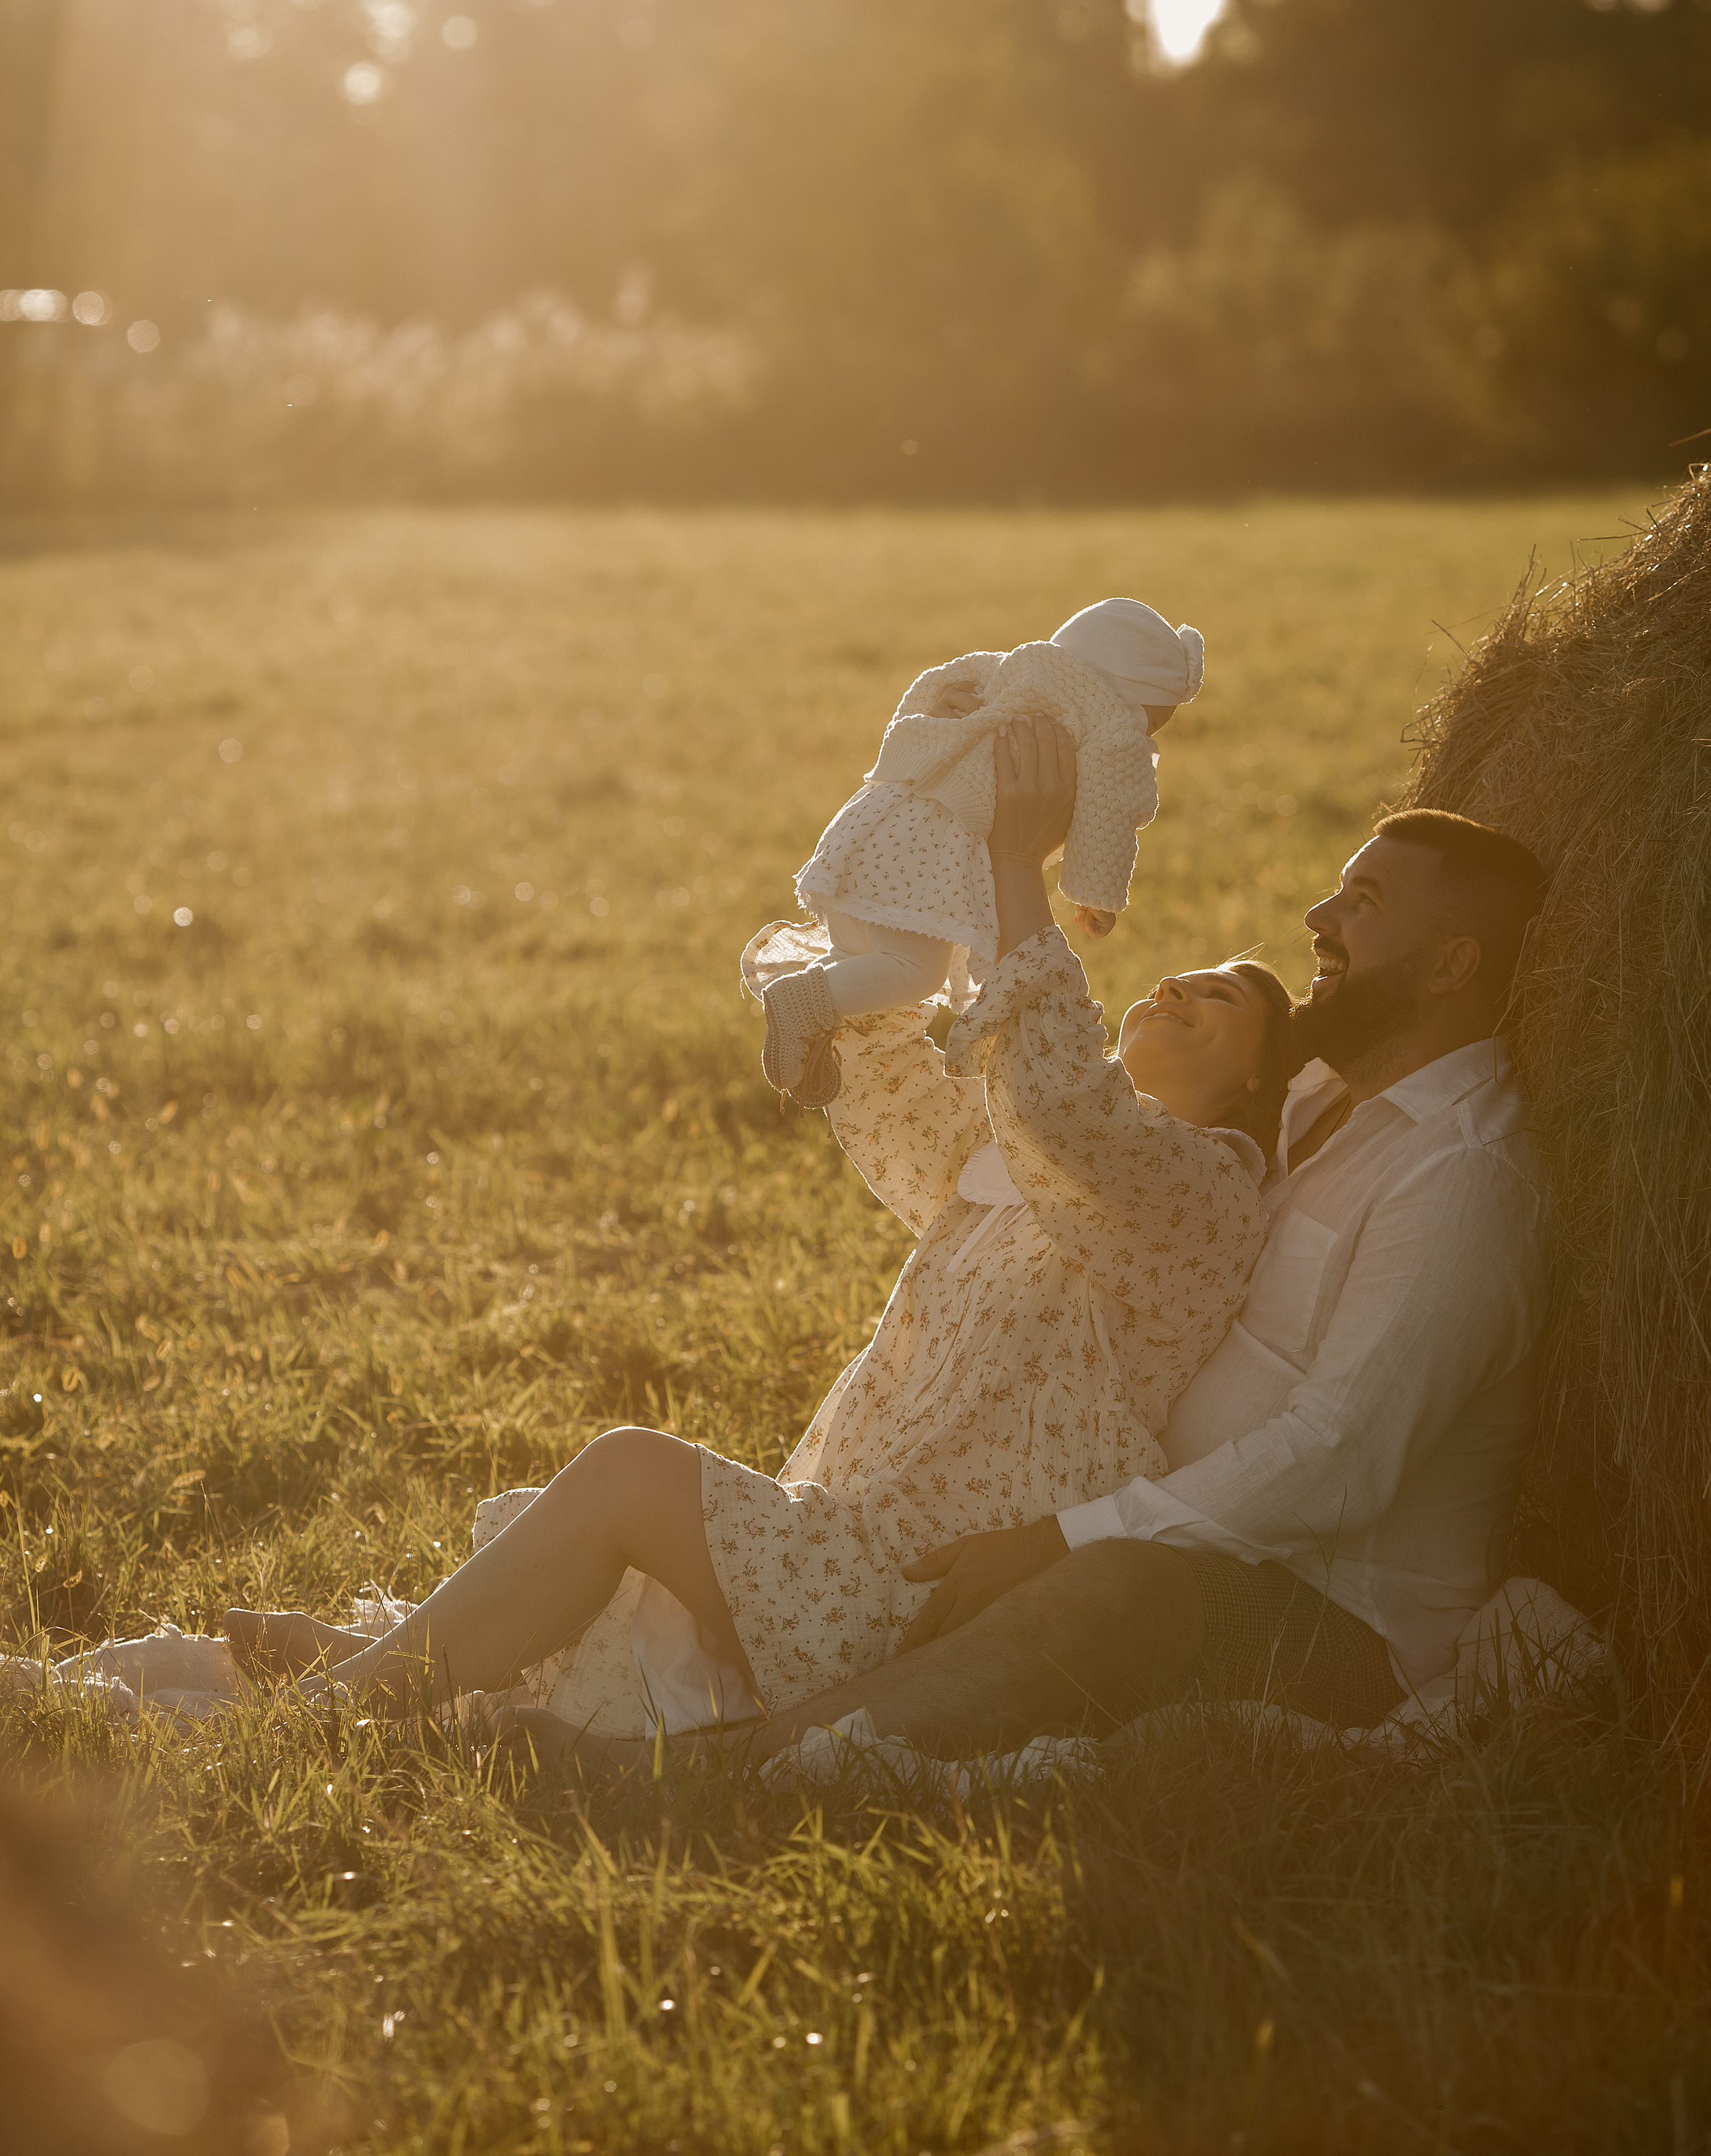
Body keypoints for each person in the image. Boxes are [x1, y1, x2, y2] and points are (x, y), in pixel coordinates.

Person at [227, 720, 1291, 1748]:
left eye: (1224, 998)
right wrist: (915, 892)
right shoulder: (1006, 1156)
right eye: (1185, 973)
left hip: (922, 1598)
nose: (1178, 986)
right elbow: (901, 1093)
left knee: (631, 1471)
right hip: (848, 1541)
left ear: (1257, 1088)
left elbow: (1065, 1103)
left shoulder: (1200, 1200)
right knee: (626, 1515)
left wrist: (1021, 862)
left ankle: (347, 1701)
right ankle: (395, 1666)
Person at [722, 784, 1551, 1760]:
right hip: (1170, 1527)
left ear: (1452, 965)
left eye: (1363, 903)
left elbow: (1339, 1462)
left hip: (1335, 1616)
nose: (1317, 916)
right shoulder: (1319, 1095)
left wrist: (1068, 1536)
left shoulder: (1462, 1178)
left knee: (1112, 1588)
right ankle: (776, 1689)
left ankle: (759, 1760)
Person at [760, 596, 1203, 1104]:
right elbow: (1111, 811)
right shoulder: (1111, 724)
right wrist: (1095, 893)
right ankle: (798, 1002)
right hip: (930, 854)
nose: (1145, 738)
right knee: (915, 972)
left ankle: (819, 1033)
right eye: (1151, 723)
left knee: (860, 957)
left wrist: (922, 734)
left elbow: (932, 688)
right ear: (1126, 693)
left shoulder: (1007, 668)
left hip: (878, 820)